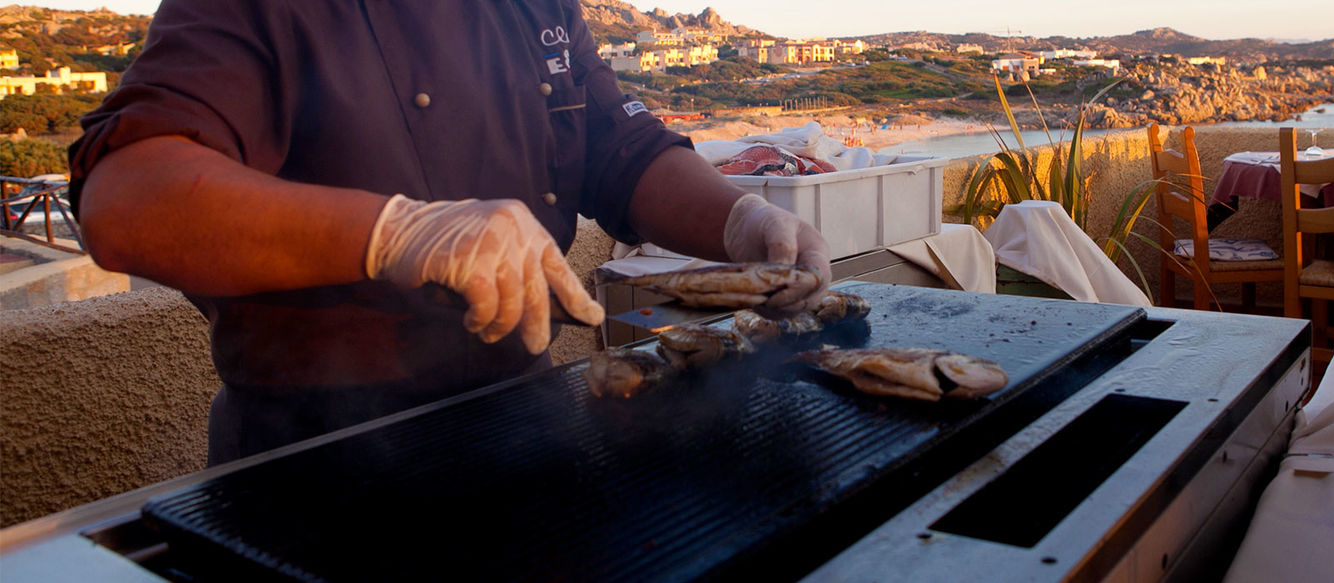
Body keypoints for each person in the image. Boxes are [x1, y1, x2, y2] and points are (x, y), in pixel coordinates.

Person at [67, 0, 830, 465]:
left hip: (523, 420)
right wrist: (398, 233)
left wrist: (741, 218)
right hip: (316, 455)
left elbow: (614, 147)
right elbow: (127, 198)